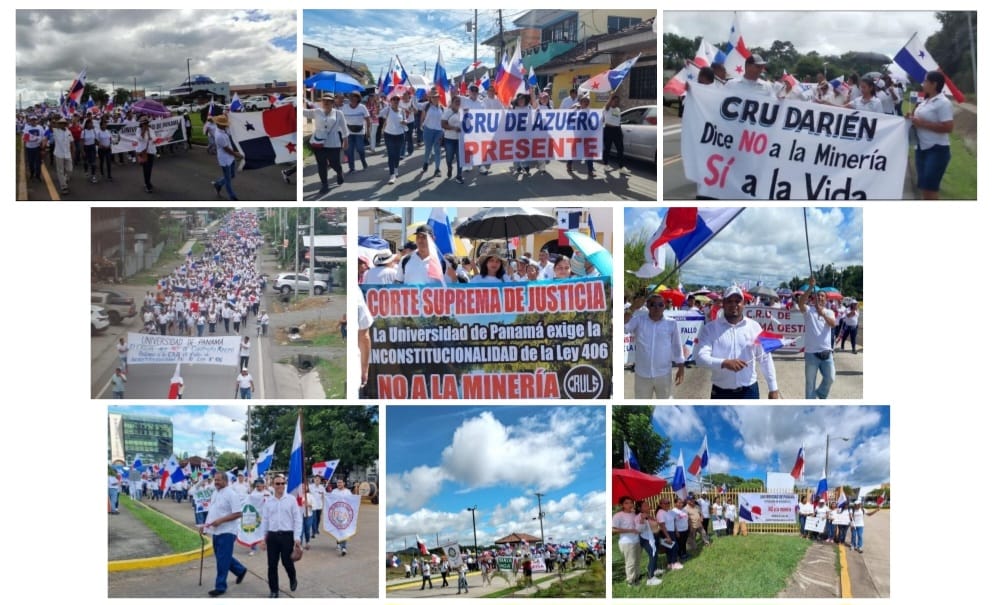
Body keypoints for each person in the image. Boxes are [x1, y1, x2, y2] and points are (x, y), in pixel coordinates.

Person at [696, 285, 780, 399]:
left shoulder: (754, 327)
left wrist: (773, 388)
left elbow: (765, 358)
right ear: (723, 303)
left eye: (737, 301)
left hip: (749, 391)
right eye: (729, 301)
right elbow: (700, 358)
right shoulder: (710, 329)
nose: (734, 304)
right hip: (721, 392)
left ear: (743, 303)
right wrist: (724, 363)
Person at [624, 293, 686, 398]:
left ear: (664, 306)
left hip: (663, 374)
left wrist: (681, 367)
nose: (657, 307)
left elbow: (676, 346)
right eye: (653, 304)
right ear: (647, 305)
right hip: (642, 374)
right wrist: (633, 307)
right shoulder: (639, 320)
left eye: (660, 305)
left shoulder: (671, 323)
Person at [200, 471, 248, 597]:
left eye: (218, 480)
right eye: (215, 480)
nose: (216, 482)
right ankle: (240, 570)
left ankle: (220, 586)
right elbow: (212, 512)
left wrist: (221, 521)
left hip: (228, 531)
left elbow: (238, 513)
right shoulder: (215, 493)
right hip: (216, 531)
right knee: (223, 557)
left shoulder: (231, 494)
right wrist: (204, 527)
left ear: (225, 481)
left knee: (222, 560)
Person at [908, 70, 954, 199]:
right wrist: (911, 118)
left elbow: (948, 127)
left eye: (925, 81)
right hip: (921, 148)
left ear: (934, 84)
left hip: (937, 150)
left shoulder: (943, 103)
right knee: (924, 188)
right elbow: (918, 120)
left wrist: (922, 123)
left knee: (930, 189)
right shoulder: (925, 101)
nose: (923, 83)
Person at [260, 474, 302, 597]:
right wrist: (263, 538)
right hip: (272, 537)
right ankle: (274, 590)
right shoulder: (268, 502)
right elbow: (265, 521)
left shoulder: (291, 500)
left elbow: (297, 519)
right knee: (272, 565)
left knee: (287, 562)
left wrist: (297, 537)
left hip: (287, 536)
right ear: (273, 485)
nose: (280, 486)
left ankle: (292, 578)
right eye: (277, 483)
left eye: (282, 483)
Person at [797, 277, 837, 399]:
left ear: (826, 299)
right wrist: (810, 287)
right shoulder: (808, 310)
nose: (820, 298)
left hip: (826, 353)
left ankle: (820, 393)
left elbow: (833, 324)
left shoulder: (829, 312)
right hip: (811, 354)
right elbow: (800, 303)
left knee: (830, 378)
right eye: (818, 296)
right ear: (814, 298)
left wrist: (823, 313)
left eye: (822, 296)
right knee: (810, 384)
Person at [303, 93, 348, 195]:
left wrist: (346, 141)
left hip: (334, 142)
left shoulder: (338, 113)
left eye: (329, 101)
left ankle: (339, 172)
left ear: (333, 102)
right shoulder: (317, 112)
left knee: (334, 163)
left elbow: (344, 128)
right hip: (319, 143)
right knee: (321, 164)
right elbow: (302, 112)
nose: (326, 103)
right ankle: (324, 185)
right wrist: (295, 102)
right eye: (324, 101)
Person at [211, 115, 243, 201]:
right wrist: (237, 154)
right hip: (225, 159)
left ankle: (218, 184)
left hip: (230, 157)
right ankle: (233, 198)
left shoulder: (223, 130)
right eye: (224, 124)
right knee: (228, 180)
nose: (226, 125)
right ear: (219, 124)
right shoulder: (219, 136)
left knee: (231, 175)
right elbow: (227, 149)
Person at [612, 496, 642, 586]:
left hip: (637, 540)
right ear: (622, 505)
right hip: (627, 542)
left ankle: (637, 576)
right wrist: (630, 530)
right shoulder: (618, 516)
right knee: (630, 562)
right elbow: (613, 530)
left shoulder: (634, 514)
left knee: (637, 560)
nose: (629, 505)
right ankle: (631, 581)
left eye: (630, 502)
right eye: (626, 503)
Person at [417, 90, 445, 177]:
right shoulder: (426, 105)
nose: (435, 98)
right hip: (428, 130)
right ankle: (426, 162)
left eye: (437, 97)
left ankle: (437, 169)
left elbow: (447, 116)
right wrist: (414, 95)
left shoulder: (442, 107)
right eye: (433, 97)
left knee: (437, 150)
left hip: (439, 132)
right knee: (428, 149)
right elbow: (416, 105)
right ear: (430, 98)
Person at [342, 92, 371, 173]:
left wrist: (368, 131)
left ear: (358, 98)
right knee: (349, 151)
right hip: (348, 132)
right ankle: (352, 168)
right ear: (349, 98)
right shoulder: (344, 107)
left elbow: (368, 119)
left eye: (355, 97)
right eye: (351, 97)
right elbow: (341, 119)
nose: (353, 98)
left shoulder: (362, 107)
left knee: (360, 149)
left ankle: (363, 161)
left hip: (360, 132)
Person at [638, 500, 662, 585]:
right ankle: (650, 578)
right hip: (645, 538)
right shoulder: (640, 516)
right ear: (640, 508)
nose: (648, 506)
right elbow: (639, 529)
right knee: (653, 554)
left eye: (647, 504)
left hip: (651, 537)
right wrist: (642, 519)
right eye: (645, 505)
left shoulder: (647, 515)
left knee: (655, 554)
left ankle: (654, 570)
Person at [441, 95, 464, 183]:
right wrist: (454, 128)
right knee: (449, 158)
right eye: (456, 101)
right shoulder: (447, 112)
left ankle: (459, 176)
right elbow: (443, 125)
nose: (458, 103)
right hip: (449, 139)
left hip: (460, 140)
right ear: (452, 103)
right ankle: (449, 167)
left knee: (460, 158)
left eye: (459, 101)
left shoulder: (462, 112)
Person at [602, 94, 627, 173]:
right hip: (608, 130)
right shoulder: (606, 108)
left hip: (617, 130)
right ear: (611, 101)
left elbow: (617, 120)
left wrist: (620, 131)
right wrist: (611, 96)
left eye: (618, 101)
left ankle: (621, 167)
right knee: (607, 149)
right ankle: (606, 165)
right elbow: (608, 105)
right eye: (615, 101)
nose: (616, 102)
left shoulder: (618, 109)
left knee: (620, 149)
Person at [51, 118, 73, 194]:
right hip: (59, 153)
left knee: (69, 169)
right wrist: (56, 122)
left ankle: (64, 179)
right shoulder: (55, 131)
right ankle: (63, 187)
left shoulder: (68, 131)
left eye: (64, 123)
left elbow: (71, 141)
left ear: (66, 124)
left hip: (67, 153)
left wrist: (73, 151)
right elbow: (51, 125)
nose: (62, 124)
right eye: (61, 123)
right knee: (60, 171)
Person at [135, 117, 157, 193]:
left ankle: (147, 182)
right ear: (141, 124)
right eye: (144, 123)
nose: (145, 125)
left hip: (151, 151)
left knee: (149, 169)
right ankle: (148, 185)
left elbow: (154, 138)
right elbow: (140, 138)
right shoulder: (138, 130)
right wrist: (143, 131)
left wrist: (151, 137)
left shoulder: (150, 130)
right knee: (146, 169)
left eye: (146, 123)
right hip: (143, 152)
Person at [330, 479, 352, 555]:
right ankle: (338, 542)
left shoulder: (348, 492)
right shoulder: (334, 491)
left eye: (340, 482)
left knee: (344, 530)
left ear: (344, 483)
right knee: (337, 529)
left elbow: (352, 501)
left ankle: (344, 547)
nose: (339, 484)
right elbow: (330, 501)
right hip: (336, 514)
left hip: (345, 514)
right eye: (338, 483)